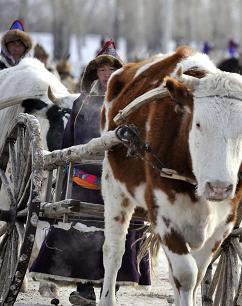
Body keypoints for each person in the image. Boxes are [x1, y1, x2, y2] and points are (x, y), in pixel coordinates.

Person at [30, 40, 151, 306]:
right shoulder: (82, 103)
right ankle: (84, 288)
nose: (106, 75)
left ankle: (112, 285)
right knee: (82, 231)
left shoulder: (131, 104)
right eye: (101, 70)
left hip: (120, 179)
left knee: (119, 232)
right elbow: (69, 143)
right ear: (95, 73)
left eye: (111, 69)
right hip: (85, 178)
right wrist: (59, 160)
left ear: (120, 73)